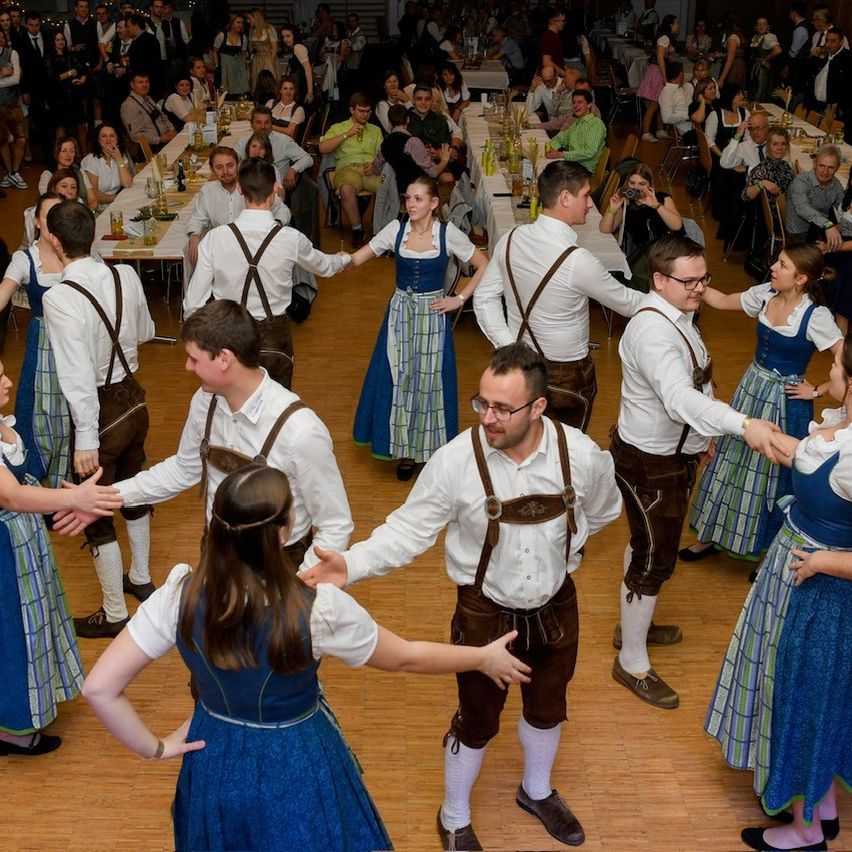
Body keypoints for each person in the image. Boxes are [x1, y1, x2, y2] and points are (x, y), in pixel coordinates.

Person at [82, 463, 530, 850]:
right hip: (297, 756)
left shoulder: (178, 594)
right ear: (282, 531)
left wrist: (155, 748)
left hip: (213, 752)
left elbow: (100, 688)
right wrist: (481, 658)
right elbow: (406, 657)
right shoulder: (319, 609)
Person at [301, 342, 624, 851]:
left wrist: (567, 552)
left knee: (548, 706)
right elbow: (407, 530)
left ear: (538, 407)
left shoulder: (581, 456)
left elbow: (604, 510)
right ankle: (453, 817)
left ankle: (536, 791)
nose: (487, 417)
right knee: (476, 718)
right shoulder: (456, 460)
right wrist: (352, 564)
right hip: (484, 612)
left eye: (502, 408)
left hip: (557, 606)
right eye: (482, 403)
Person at [56, 299, 356, 572]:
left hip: (280, 565)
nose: (187, 367)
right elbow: (183, 469)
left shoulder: (301, 431)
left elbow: (335, 523)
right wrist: (103, 498)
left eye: (194, 359)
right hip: (217, 553)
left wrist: (302, 587)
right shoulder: (205, 401)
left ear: (223, 359)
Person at [610, 234, 781, 710]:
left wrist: (700, 441)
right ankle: (633, 661)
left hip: (667, 454)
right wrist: (740, 425)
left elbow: (696, 381)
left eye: (704, 278)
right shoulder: (654, 332)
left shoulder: (676, 314)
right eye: (690, 281)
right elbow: (680, 399)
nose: (700, 288)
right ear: (659, 280)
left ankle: (631, 628)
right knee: (654, 558)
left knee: (644, 542)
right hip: (652, 463)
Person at [706, 337, 852, 851]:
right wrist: (760, 434)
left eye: (835, 362)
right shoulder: (839, 426)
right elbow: (814, 463)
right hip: (796, 575)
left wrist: (822, 561)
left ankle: (807, 832)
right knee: (815, 693)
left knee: (803, 696)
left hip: (820, 593)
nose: (828, 366)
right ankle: (823, 804)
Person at [683, 244, 842, 564]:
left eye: (781, 265)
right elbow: (722, 300)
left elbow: (845, 359)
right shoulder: (765, 293)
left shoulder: (816, 316)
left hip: (786, 400)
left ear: (800, 278)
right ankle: (712, 535)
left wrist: (817, 391)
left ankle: (769, 550)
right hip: (752, 386)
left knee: (774, 473)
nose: (773, 267)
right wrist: (690, 283)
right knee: (731, 458)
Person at [42, 201, 155, 639]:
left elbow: (75, 375)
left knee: (96, 513)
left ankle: (113, 612)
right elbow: (144, 331)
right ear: (92, 233)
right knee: (133, 487)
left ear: (54, 239)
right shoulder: (123, 274)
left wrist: (85, 438)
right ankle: (140, 578)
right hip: (135, 399)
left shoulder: (59, 298)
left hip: (101, 415)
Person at [0, 357, 122, 757]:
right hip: (5, 552)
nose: (8, 381)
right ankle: (11, 727)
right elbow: (10, 496)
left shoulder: (4, 424)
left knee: (29, 622)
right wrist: (76, 497)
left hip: (21, 542)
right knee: (12, 629)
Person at [474, 161, 644, 432]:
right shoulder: (578, 261)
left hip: (522, 364)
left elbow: (484, 298)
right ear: (565, 198)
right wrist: (673, 300)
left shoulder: (511, 238)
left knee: (523, 441)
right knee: (563, 449)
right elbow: (627, 302)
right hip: (567, 375)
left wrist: (509, 345)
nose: (590, 204)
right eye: (586, 195)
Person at [349, 176, 486, 480]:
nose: (410, 204)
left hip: (433, 315)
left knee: (431, 382)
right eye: (408, 198)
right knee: (399, 379)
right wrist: (326, 262)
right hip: (399, 314)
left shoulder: (448, 234)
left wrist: (459, 299)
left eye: (418, 199)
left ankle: (433, 450)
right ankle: (407, 451)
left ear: (434, 203)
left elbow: (483, 263)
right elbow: (358, 258)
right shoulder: (396, 230)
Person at [184, 159, 348, 389]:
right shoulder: (291, 239)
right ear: (274, 190)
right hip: (275, 339)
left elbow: (193, 303)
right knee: (275, 408)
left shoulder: (215, 238)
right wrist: (345, 259)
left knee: (229, 408)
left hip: (230, 337)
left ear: (240, 189)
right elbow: (325, 266)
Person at [0, 194, 73, 486]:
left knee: (72, 411)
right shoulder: (24, 258)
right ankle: (36, 481)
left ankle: (67, 484)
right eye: (49, 215)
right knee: (41, 413)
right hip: (44, 342)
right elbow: (5, 291)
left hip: (75, 341)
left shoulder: (78, 253)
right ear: (36, 220)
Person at [234, 106, 319, 246]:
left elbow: (308, 159)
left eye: (267, 122)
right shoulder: (244, 142)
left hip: (274, 193)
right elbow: (233, 159)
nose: (263, 126)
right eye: (258, 122)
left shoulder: (283, 142)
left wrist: (293, 169)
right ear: (251, 124)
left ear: (272, 123)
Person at [599, 162, 684, 293]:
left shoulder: (662, 198)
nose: (636, 188)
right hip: (644, 254)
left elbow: (677, 225)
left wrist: (656, 205)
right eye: (632, 183)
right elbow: (605, 229)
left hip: (669, 249)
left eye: (642, 184)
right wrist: (612, 208)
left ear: (650, 185)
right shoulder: (626, 204)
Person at [319, 92, 383, 248]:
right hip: (348, 169)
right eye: (361, 111)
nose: (365, 115)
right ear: (352, 110)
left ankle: (383, 230)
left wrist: (375, 165)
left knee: (389, 187)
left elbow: (382, 153)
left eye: (368, 111)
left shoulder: (375, 130)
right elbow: (322, 148)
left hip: (370, 169)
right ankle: (358, 230)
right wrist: (347, 134)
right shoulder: (338, 128)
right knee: (346, 190)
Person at [372, 105, 451, 195]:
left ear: (390, 122)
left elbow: (377, 170)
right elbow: (433, 172)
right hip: (419, 190)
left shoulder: (384, 145)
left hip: (397, 192)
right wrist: (444, 160)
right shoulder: (413, 142)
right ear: (408, 119)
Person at [786, 145, 844, 245]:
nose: (825, 172)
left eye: (830, 167)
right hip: (800, 233)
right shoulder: (801, 181)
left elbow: (843, 208)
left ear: (837, 168)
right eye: (821, 166)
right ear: (814, 164)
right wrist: (828, 225)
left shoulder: (836, 184)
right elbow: (802, 209)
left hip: (821, 229)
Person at [637, 15, 679, 143]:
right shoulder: (664, 38)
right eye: (676, 23)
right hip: (658, 73)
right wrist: (664, 76)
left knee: (662, 103)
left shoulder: (666, 38)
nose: (678, 26)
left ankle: (660, 130)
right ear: (671, 25)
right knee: (654, 105)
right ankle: (645, 132)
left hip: (659, 71)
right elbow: (660, 57)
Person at [45, 30, 89, 150]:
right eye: (57, 40)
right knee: (60, 126)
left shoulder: (70, 55)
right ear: (53, 42)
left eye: (62, 39)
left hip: (73, 95)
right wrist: (69, 73)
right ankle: (61, 153)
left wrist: (82, 79)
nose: (61, 42)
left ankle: (84, 151)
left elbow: (83, 69)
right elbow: (52, 78)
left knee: (80, 125)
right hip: (58, 96)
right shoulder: (49, 57)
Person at [545, 90, 606, 175]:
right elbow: (561, 138)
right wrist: (551, 146)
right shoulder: (576, 123)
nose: (575, 105)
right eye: (573, 102)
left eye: (580, 102)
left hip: (584, 171)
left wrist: (562, 154)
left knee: (550, 173)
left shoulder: (595, 124)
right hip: (574, 165)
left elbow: (590, 152)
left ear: (589, 104)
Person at [120, 72, 177, 153]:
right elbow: (136, 136)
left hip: (166, 142)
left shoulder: (148, 98)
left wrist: (172, 130)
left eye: (146, 81)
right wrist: (160, 139)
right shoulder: (129, 105)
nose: (145, 85)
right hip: (150, 150)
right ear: (132, 85)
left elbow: (163, 117)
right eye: (140, 82)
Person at [81, 122, 134, 209]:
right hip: (97, 206)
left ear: (117, 139)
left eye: (112, 136)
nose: (108, 139)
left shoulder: (120, 156)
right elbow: (93, 194)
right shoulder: (91, 160)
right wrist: (115, 199)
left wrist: (118, 159)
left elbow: (127, 184)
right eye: (104, 136)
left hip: (115, 203)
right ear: (98, 140)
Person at [805, 26, 852, 123]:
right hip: (814, 104)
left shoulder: (847, 58)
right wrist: (811, 56)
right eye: (827, 40)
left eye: (833, 41)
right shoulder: (822, 53)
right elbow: (808, 74)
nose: (829, 44)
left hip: (832, 108)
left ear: (841, 41)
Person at [0, 29, 27, 190]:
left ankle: (14, 173)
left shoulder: (12, 53)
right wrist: (2, 74)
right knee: (2, 141)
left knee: (21, 139)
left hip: (12, 103)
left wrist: (5, 76)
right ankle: (10, 172)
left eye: (2, 37)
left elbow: (16, 78)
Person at [38, 136, 94, 209]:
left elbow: (93, 199)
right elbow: (47, 203)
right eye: (64, 151)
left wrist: (86, 213)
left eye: (72, 151)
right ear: (56, 153)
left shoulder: (79, 171)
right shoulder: (47, 175)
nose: (68, 155)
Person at [213, 14, 249, 98]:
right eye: (238, 22)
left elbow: (243, 53)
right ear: (232, 23)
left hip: (237, 65)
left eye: (242, 23)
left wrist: (244, 67)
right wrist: (217, 65)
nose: (240, 25)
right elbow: (215, 51)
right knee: (225, 88)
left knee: (239, 90)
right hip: (225, 64)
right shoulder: (222, 35)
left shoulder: (243, 37)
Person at [657, 61, 695, 138]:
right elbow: (666, 118)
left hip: (695, 123)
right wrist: (689, 116)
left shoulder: (682, 87)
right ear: (681, 74)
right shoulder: (667, 93)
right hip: (686, 128)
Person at [749, 18, 782, 101]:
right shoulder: (755, 37)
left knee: (761, 91)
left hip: (763, 69)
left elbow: (778, 50)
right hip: (755, 67)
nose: (761, 27)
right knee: (754, 90)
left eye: (764, 24)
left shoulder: (769, 37)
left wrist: (766, 59)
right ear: (755, 27)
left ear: (768, 27)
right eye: (759, 24)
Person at [280, 25, 313, 105]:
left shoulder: (298, 48)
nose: (285, 39)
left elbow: (308, 69)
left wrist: (310, 92)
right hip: (299, 82)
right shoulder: (295, 47)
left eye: (288, 36)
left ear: (295, 35)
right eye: (283, 37)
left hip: (301, 84)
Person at [246, 8, 277, 89]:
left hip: (268, 58)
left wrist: (271, 61)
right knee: (256, 81)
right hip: (257, 59)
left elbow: (274, 48)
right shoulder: (252, 31)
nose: (248, 21)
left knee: (268, 81)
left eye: (249, 18)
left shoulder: (269, 29)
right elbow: (250, 47)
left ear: (256, 18)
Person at [717, 11, 748, 90]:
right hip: (740, 64)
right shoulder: (739, 35)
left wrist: (721, 79)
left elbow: (730, 59)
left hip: (735, 66)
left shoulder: (732, 38)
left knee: (731, 90)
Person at [375, 70, 410, 134]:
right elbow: (389, 129)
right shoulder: (382, 105)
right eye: (389, 82)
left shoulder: (402, 102)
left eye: (395, 81)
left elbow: (414, 119)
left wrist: (407, 101)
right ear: (384, 85)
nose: (393, 85)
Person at [539, 9, 565, 76]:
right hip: (551, 79)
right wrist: (561, 72)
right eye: (563, 20)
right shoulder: (549, 37)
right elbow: (546, 62)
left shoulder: (552, 36)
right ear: (554, 21)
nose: (565, 22)